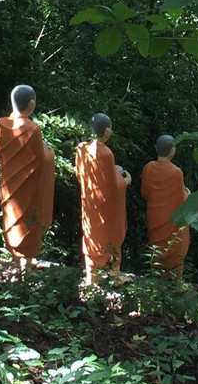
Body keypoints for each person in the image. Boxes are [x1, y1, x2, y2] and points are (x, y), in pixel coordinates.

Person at [0, 84, 55, 272]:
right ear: (31, 104)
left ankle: (15, 260)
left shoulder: (0, 125)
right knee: (27, 220)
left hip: (9, 183)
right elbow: (40, 159)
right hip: (28, 186)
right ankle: (26, 266)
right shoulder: (32, 129)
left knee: (12, 218)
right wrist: (50, 153)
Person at [75, 113, 130, 284]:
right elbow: (114, 185)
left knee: (92, 234)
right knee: (111, 235)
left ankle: (92, 275)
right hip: (106, 206)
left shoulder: (81, 149)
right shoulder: (106, 153)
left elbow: (80, 174)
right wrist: (126, 180)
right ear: (107, 131)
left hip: (90, 201)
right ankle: (114, 274)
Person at [141, 134, 190, 279]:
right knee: (174, 249)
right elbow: (182, 200)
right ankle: (175, 282)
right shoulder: (176, 172)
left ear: (157, 149)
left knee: (157, 249)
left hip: (155, 216)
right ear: (172, 150)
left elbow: (144, 193)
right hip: (172, 219)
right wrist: (187, 193)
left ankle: (156, 281)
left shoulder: (148, 168)